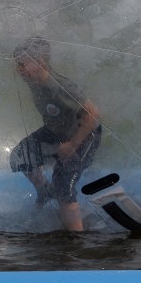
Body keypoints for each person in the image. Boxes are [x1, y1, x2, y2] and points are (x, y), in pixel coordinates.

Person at [9, 37, 101, 232]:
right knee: (21, 156)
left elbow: (93, 114)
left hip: (83, 136)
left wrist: (72, 145)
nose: (20, 70)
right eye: (18, 64)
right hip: (56, 132)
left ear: (40, 64)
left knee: (63, 185)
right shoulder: (33, 80)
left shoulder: (62, 87)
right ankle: (44, 192)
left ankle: (76, 241)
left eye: (23, 64)